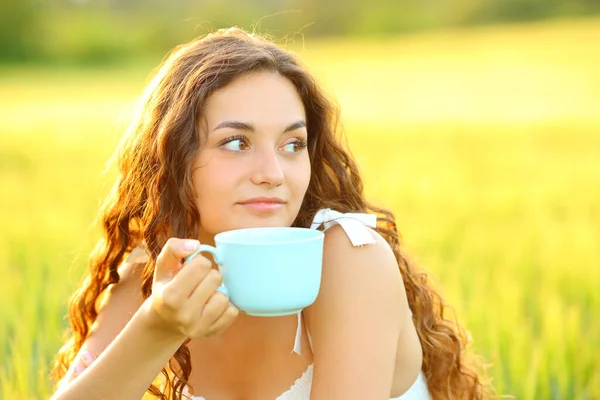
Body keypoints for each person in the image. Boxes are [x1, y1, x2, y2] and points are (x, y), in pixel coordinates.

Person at [51, 27, 488, 400]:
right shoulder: (150, 279)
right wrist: (158, 327)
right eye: (237, 143)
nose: (273, 174)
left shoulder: (350, 260)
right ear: (173, 160)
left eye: (292, 145)